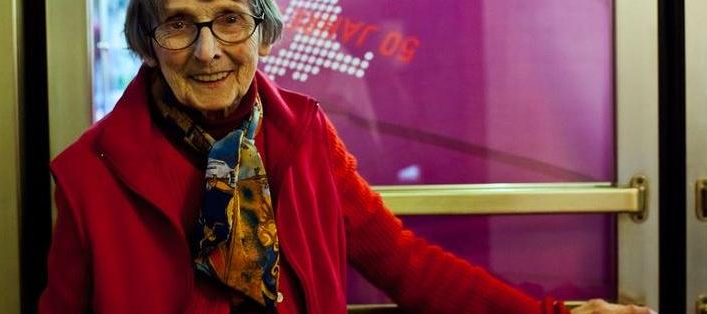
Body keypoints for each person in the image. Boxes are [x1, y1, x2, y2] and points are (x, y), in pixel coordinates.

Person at [38, 0, 653, 313]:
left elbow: (406, 266)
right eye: (178, 23)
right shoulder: (91, 172)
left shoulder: (303, 136)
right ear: (148, 41)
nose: (207, 51)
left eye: (228, 19)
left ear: (261, 27)